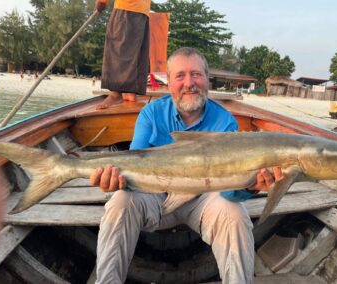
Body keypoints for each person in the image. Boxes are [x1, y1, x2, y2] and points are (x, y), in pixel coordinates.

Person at [90, 47, 283, 283]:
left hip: (204, 199)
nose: (189, 83)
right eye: (180, 76)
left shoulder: (224, 121)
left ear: (207, 80)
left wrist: (250, 186)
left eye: (196, 74)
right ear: (169, 83)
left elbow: (229, 191)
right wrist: (115, 181)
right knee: (119, 202)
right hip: (155, 197)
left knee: (235, 214)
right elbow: (134, 167)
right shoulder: (151, 114)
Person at [95, 0, 151, 109]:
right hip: (142, 10)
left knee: (117, 49)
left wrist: (102, 2)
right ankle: (130, 93)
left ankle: (116, 93)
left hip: (127, 6)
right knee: (136, 51)